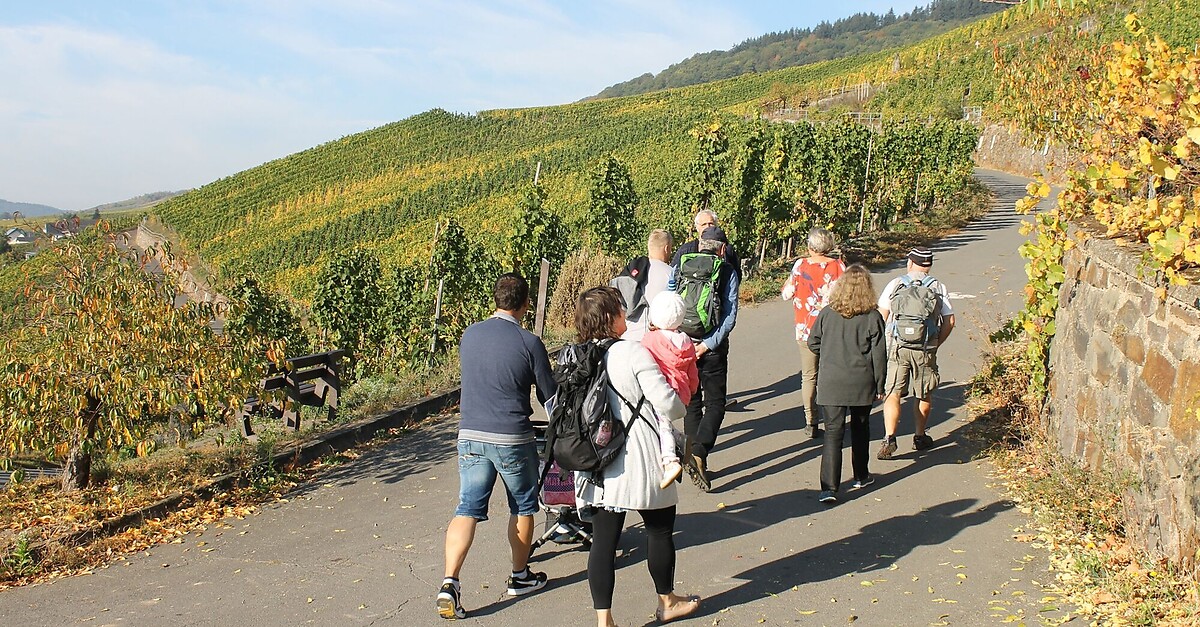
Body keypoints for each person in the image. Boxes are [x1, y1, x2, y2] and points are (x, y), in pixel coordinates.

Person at [572, 286, 701, 627]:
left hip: (595, 458)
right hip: (637, 454)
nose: (624, 316)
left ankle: (604, 620)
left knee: (603, 540)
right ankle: (667, 601)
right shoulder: (632, 353)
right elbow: (669, 404)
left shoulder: (573, 356)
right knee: (659, 530)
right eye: (619, 310)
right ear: (611, 319)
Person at [436, 273, 557, 620]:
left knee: (467, 508)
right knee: (522, 506)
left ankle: (450, 583)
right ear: (525, 304)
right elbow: (550, 398)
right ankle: (520, 576)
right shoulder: (529, 342)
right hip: (511, 437)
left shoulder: (469, 335)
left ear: (496, 299)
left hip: (471, 435)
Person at [807, 264, 887, 504]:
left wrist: (830, 354)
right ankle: (861, 475)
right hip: (861, 381)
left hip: (831, 380)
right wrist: (880, 385)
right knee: (860, 429)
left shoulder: (827, 313)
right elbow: (879, 355)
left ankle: (829, 488)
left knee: (833, 433)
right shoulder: (872, 317)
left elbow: (813, 342)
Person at [672, 225, 739, 492]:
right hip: (712, 348)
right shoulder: (727, 271)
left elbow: (671, 300)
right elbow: (730, 315)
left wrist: (681, 338)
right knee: (715, 403)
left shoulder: (682, 266)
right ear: (722, 249)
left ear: (700, 244)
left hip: (685, 343)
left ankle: (692, 455)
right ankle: (699, 452)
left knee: (692, 402)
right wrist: (709, 343)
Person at [876, 248, 955, 460]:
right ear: (928, 265)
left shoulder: (896, 284)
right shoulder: (938, 287)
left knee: (893, 392)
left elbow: (881, 317)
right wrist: (936, 342)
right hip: (925, 348)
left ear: (910, 263)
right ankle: (919, 436)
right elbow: (950, 321)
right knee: (924, 392)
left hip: (898, 347)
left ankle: (889, 438)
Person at [781, 227, 846, 439]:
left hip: (805, 329)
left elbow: (786, 293)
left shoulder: (800, 265)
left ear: (810, 246)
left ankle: (811, 420)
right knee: (831, 375)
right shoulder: (838, 267)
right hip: (832, 329)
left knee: (809, 376)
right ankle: (833, 417)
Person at [640, 291, 699, 489]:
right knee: (664, 423)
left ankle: (670, 461)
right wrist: (691, 389)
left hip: (661, 391)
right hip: (680, 393)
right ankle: (679, 439)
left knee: (662, 424)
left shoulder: (651, 340)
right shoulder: (687, 341)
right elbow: (692, 371)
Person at [611, 229, 674, 342]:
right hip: (655, 343)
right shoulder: (670, 274)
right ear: (667, 248)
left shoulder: (630, 272)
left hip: (627, 339)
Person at [670, 209, 742, 278]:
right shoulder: (686, 249)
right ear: (697, 228)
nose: (707, 227)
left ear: (716, 225)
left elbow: (736, 275)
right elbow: (673, 272)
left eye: (711, 224)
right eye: (704, 224)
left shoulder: (727, 250)